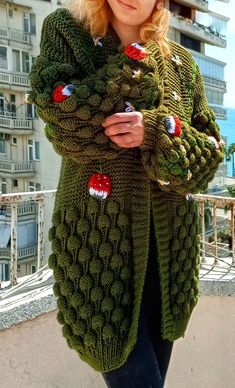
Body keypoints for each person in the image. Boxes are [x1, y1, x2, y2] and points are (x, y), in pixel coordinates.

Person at [28, 1, 224, 387]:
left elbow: (209, 153)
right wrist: (134, 66)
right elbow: (64, 121)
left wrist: (153, 132)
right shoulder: (69, 33)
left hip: (169, 262)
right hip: (99, 255)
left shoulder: (182, 64)